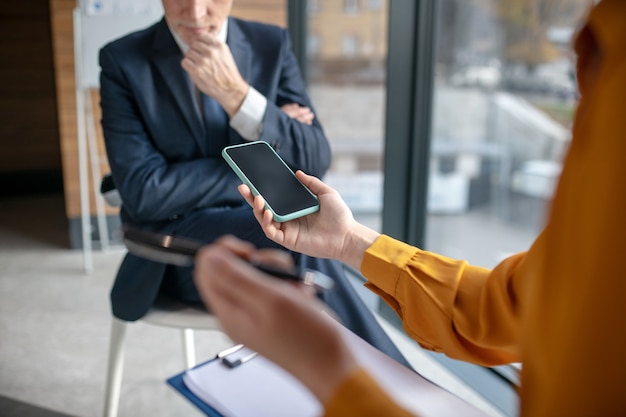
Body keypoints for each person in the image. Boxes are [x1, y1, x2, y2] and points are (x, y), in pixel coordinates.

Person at [192, 1, 626, 416]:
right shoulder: (607, 52)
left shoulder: (271, 41)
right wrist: (350, 241)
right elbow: (509, 306)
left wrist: (324, 368)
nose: (195, 10)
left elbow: (312, 151)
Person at [98, 0, 409, 367]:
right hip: (179, 250)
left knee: (300, 245)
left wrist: (238, 97)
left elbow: (314, 159)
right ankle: (393, 386)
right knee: (297, 238)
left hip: (264, 241)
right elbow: (144, 192)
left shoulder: (269, 44)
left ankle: (372, 386)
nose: (195, 13)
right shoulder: (123, 59)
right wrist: (259, 156)